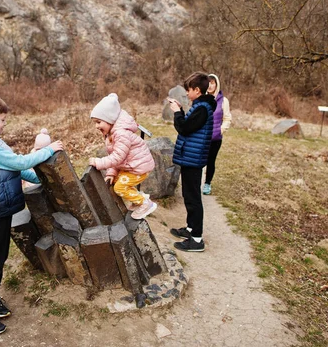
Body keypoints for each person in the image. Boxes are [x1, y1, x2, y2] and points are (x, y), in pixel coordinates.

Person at [0, 92, 64, 336]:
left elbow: (12, 168)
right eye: (2, 120)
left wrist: (39, 180)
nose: (5, 124)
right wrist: (48, 151)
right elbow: (19, 163)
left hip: (0, 208)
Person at [88, 93, 157, 220]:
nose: (96, 126)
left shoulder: (121, 134)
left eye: (98, 122)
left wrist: (99, 163)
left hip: (139, 167)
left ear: (109, 119)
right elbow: (116, 158)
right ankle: (137, 198)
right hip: (131, 165)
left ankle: (145, 203)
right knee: (115, 181)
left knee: (120, 188)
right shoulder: (111, 134)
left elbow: (118, 157)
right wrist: (111, 173)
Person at [168, 72, 216, 252]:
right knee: (188, 194)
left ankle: (196, 239)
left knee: (194, 197)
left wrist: (177, 112)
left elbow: (184, 128)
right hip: (190, 157)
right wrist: (182, 111)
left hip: (193, 159)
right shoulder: (200, 106)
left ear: (197, 90)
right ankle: (190, 228)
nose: (187, 93)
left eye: (188, 90)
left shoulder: (202, 108)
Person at [202, 74, 232, 195]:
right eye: (208, 83)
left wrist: (221, 130)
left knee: (210, 161)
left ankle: (207, 184)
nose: (210, 85)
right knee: (199, 160)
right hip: (201, 137)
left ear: (217, 84)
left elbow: (227, 118)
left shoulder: (223, 101)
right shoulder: (202, 98)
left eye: (213, 83)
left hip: (215, 138)